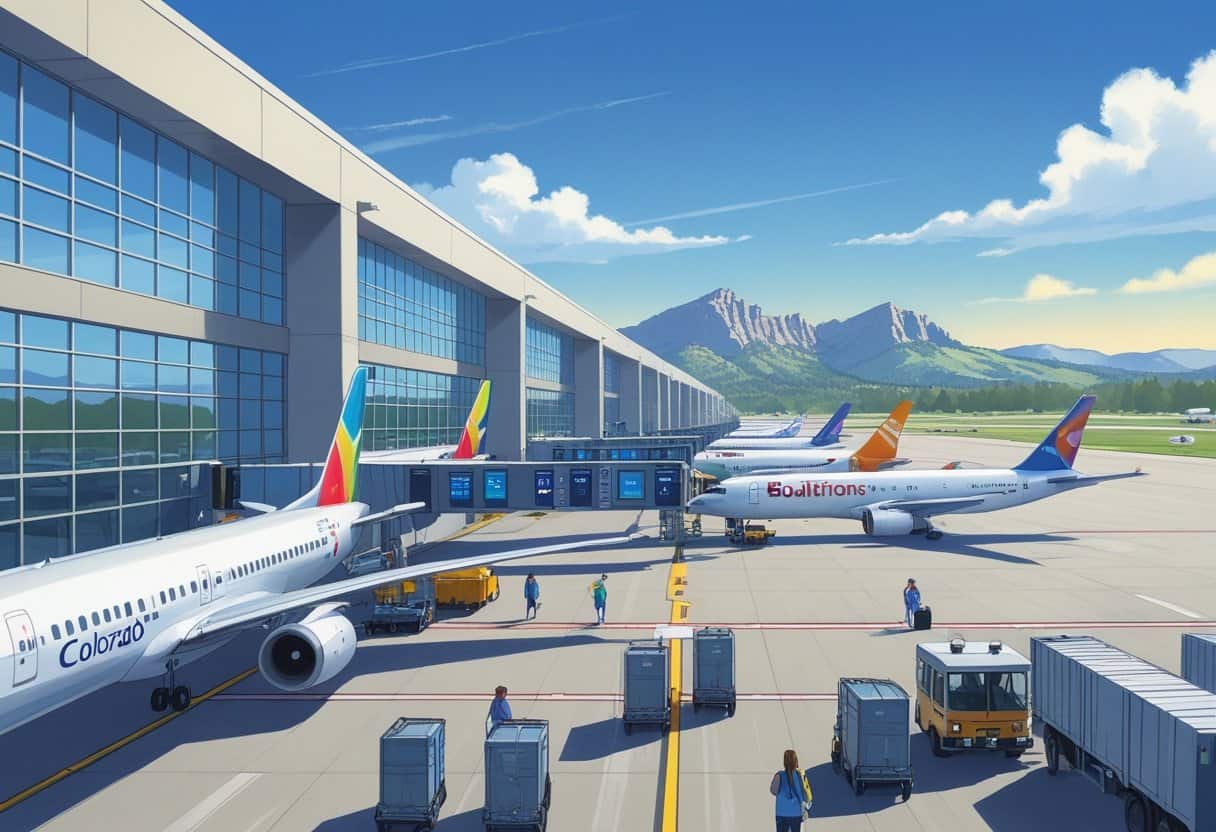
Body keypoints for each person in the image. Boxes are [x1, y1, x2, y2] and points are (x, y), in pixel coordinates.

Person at [769, 749, 810, 831]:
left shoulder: (779, 775)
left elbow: (773, 791)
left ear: (784, 762)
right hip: (796, 813)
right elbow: (806, 791)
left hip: (781, 813)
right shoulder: (800, 774)